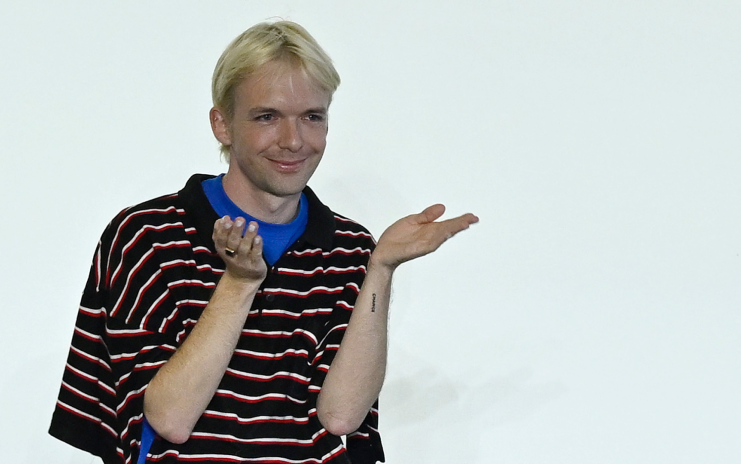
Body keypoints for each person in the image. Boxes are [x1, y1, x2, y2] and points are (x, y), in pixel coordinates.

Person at [49, 20, 478, 464]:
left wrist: (381, 269)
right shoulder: (147, 236)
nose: (293, 141)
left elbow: (342, 417)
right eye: (267, 117)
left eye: (312, 117)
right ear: (222, 124)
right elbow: (169, 418)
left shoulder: (350, 248)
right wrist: (238, 282)